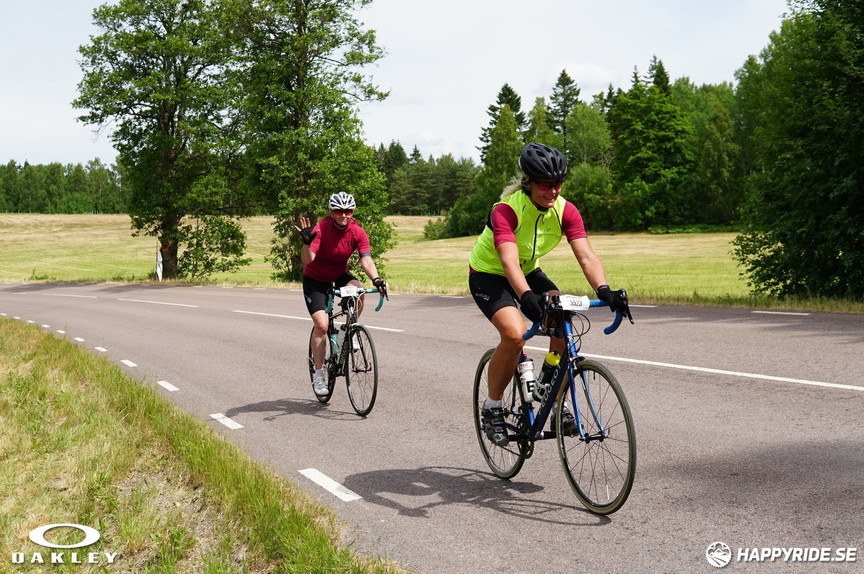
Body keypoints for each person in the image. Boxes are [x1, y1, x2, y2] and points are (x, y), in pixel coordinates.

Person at [468, 143, 629, 446]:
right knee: (515, 335)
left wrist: (604, 290)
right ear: (529, 182)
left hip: (528, 270)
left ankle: (549, 388)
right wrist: (526, 295)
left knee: (562, 316)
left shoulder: (566, 211)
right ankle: (492, 407)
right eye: (545, 184)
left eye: (557, 184)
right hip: (488, 274)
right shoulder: (506, 210)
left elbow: (586, 256)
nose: (552, 191)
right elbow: (508, 261)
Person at [295, 192, 388, 397]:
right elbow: (308, 260)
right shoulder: (321, 229)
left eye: (348, 211)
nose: (344, 215)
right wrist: (306, 243)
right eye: (339, 211)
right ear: (331, 212)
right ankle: (319, 375)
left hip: (339, 274)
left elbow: (366, 260)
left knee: (359, 291)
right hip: (315, 279)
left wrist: (377, 280)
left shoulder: (357, 232)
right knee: (322, 325)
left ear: (352, 212)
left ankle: (349, 330)